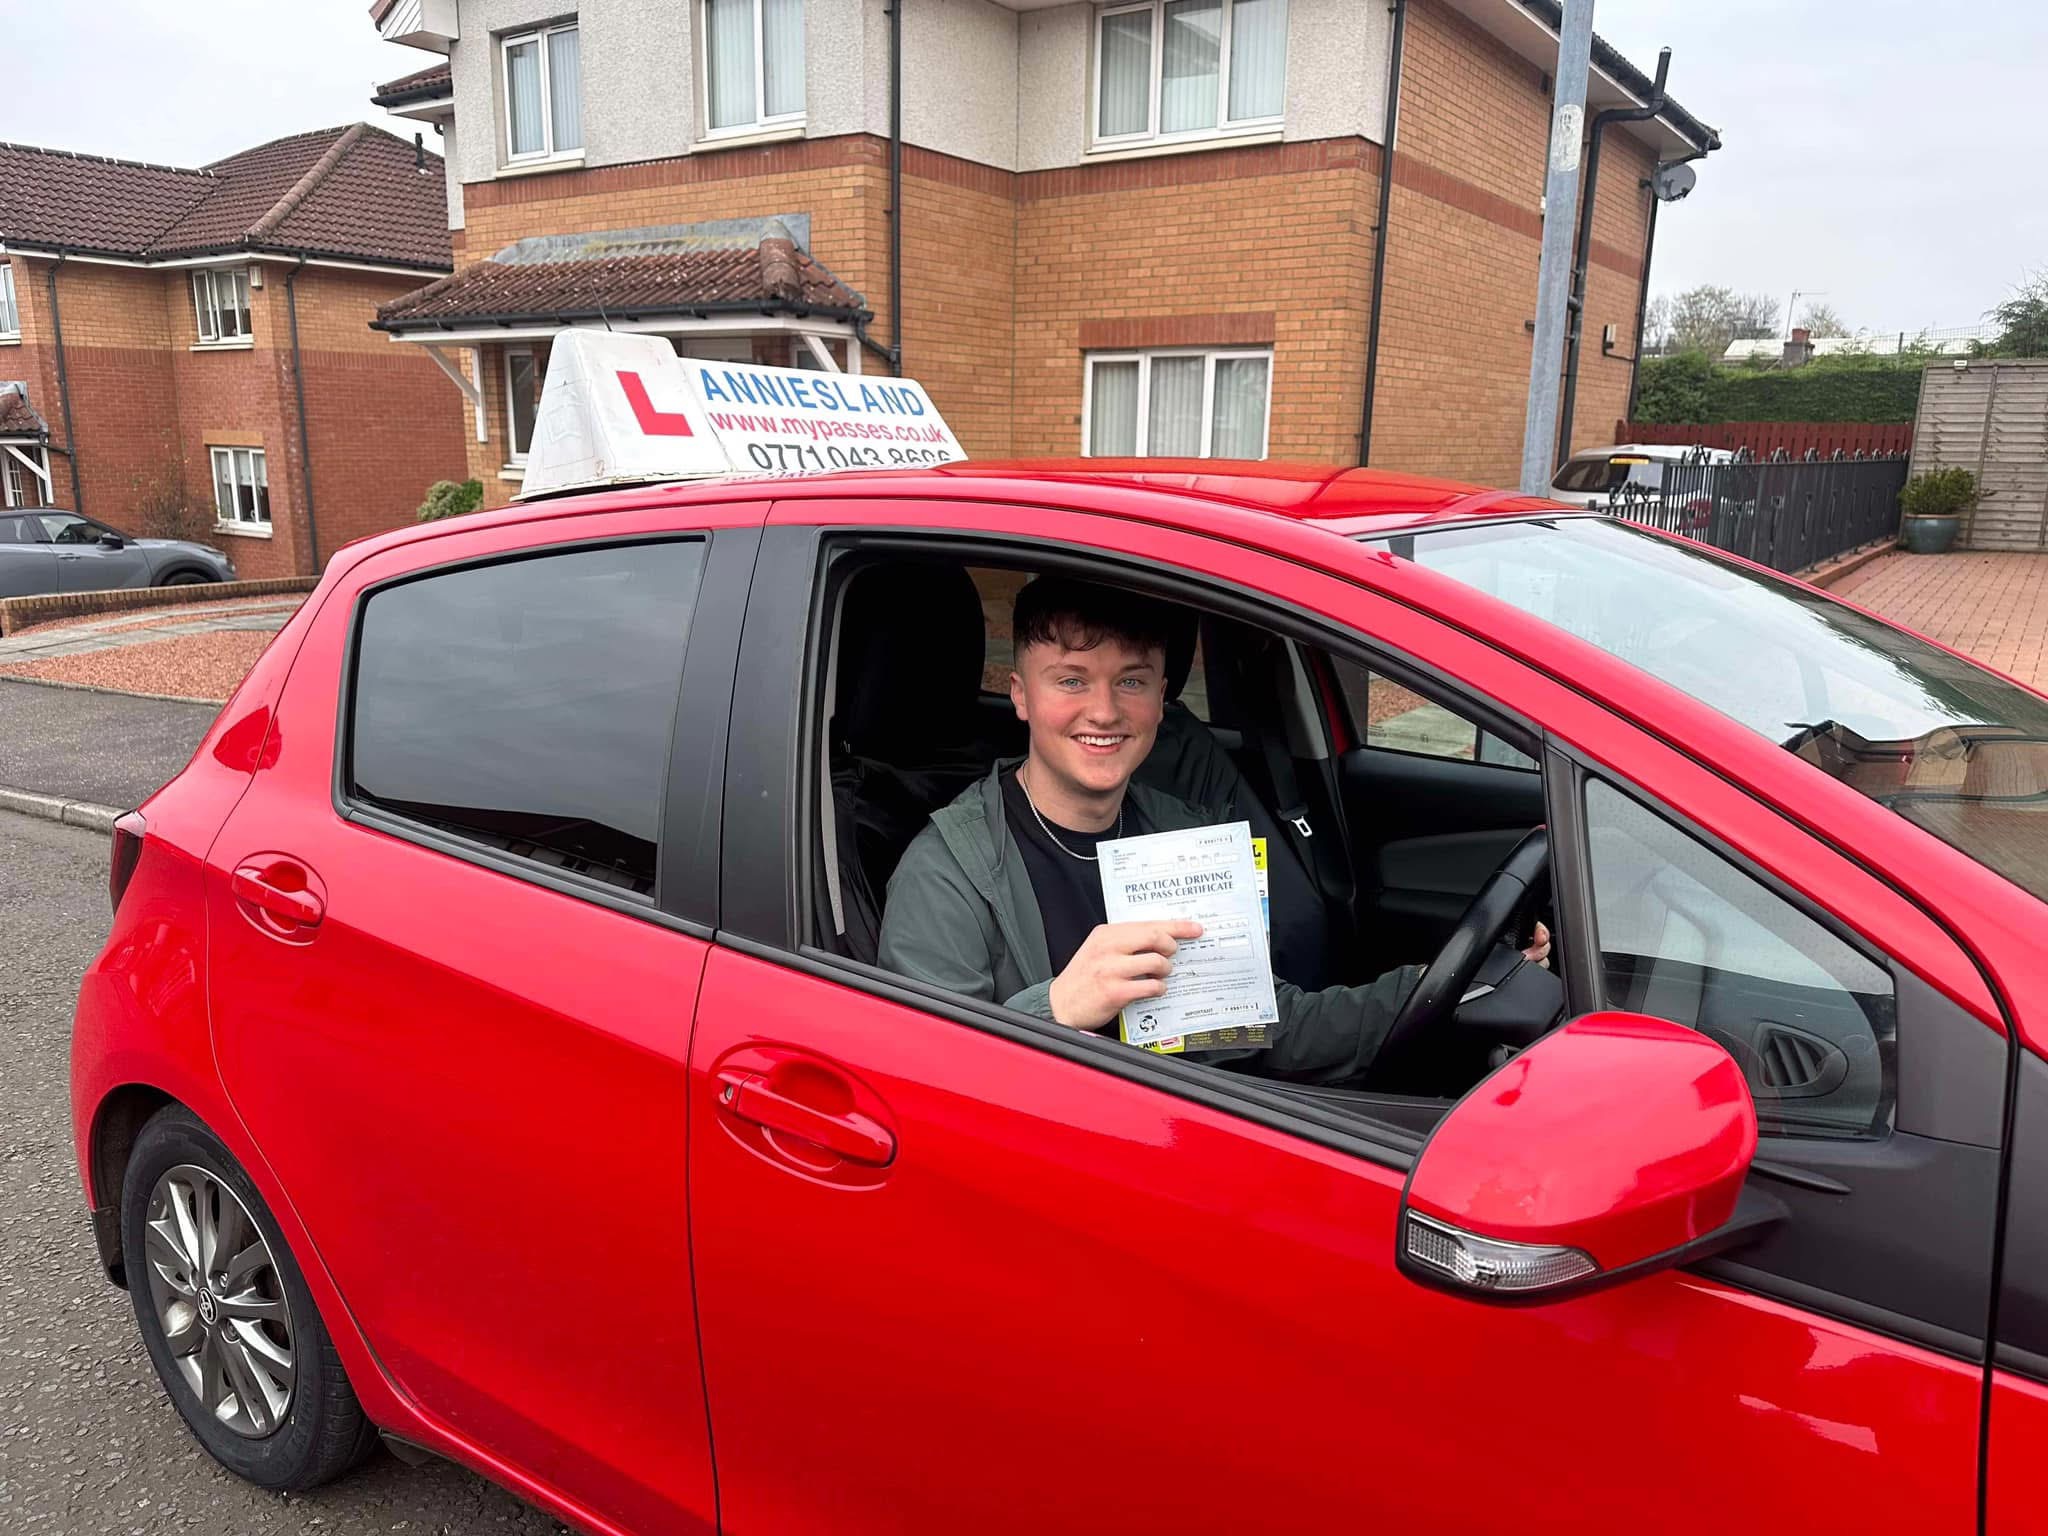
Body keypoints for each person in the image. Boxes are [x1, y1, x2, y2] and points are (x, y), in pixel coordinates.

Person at [878, 575, 1550, 1082]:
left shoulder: (1180, 837)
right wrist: (1055, 1008)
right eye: (1071, 680)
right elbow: (917, 1087)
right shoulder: (946, 874)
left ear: (1162, 694)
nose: (1105, 711)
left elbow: (1264, 1028)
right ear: (1021, 695)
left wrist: (1449, 983)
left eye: (1132, 682)